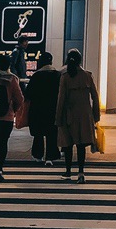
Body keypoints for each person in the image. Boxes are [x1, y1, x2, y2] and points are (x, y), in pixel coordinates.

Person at [56, 49, 101, 183]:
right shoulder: (87, 75)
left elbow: (61, 99)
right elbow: (95, 96)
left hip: (69, 115)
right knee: (81, 145)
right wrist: (96, 115)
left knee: (68, 144)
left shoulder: (65, 77)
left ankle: (68, 171)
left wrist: (58, 118)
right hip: (85, 115)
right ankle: (81, 172)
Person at [22, 54, 62, 166]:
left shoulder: (36, 76)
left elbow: (28, 94)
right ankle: (51, 156)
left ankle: (38, 155)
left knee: (38, 134)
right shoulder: (57, 75)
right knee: (52, 134)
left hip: (38, 109)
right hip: (53, 109)